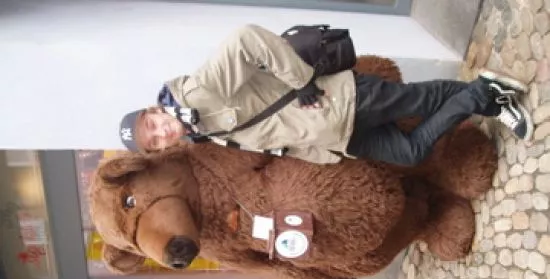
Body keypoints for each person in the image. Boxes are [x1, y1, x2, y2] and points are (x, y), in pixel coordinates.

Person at [119, 24, 533, 166]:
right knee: (410, 153)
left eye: (152, 125)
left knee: (424, 100)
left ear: (156, 110)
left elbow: (246, 39)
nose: (161, 134)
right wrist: (327, 155)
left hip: (343, 101)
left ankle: (488, 98)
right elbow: (276, 138)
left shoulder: (196, 94)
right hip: (340, 138)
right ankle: (486, 94)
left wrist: (301, 82)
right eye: (154, 142)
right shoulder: (201, 131)